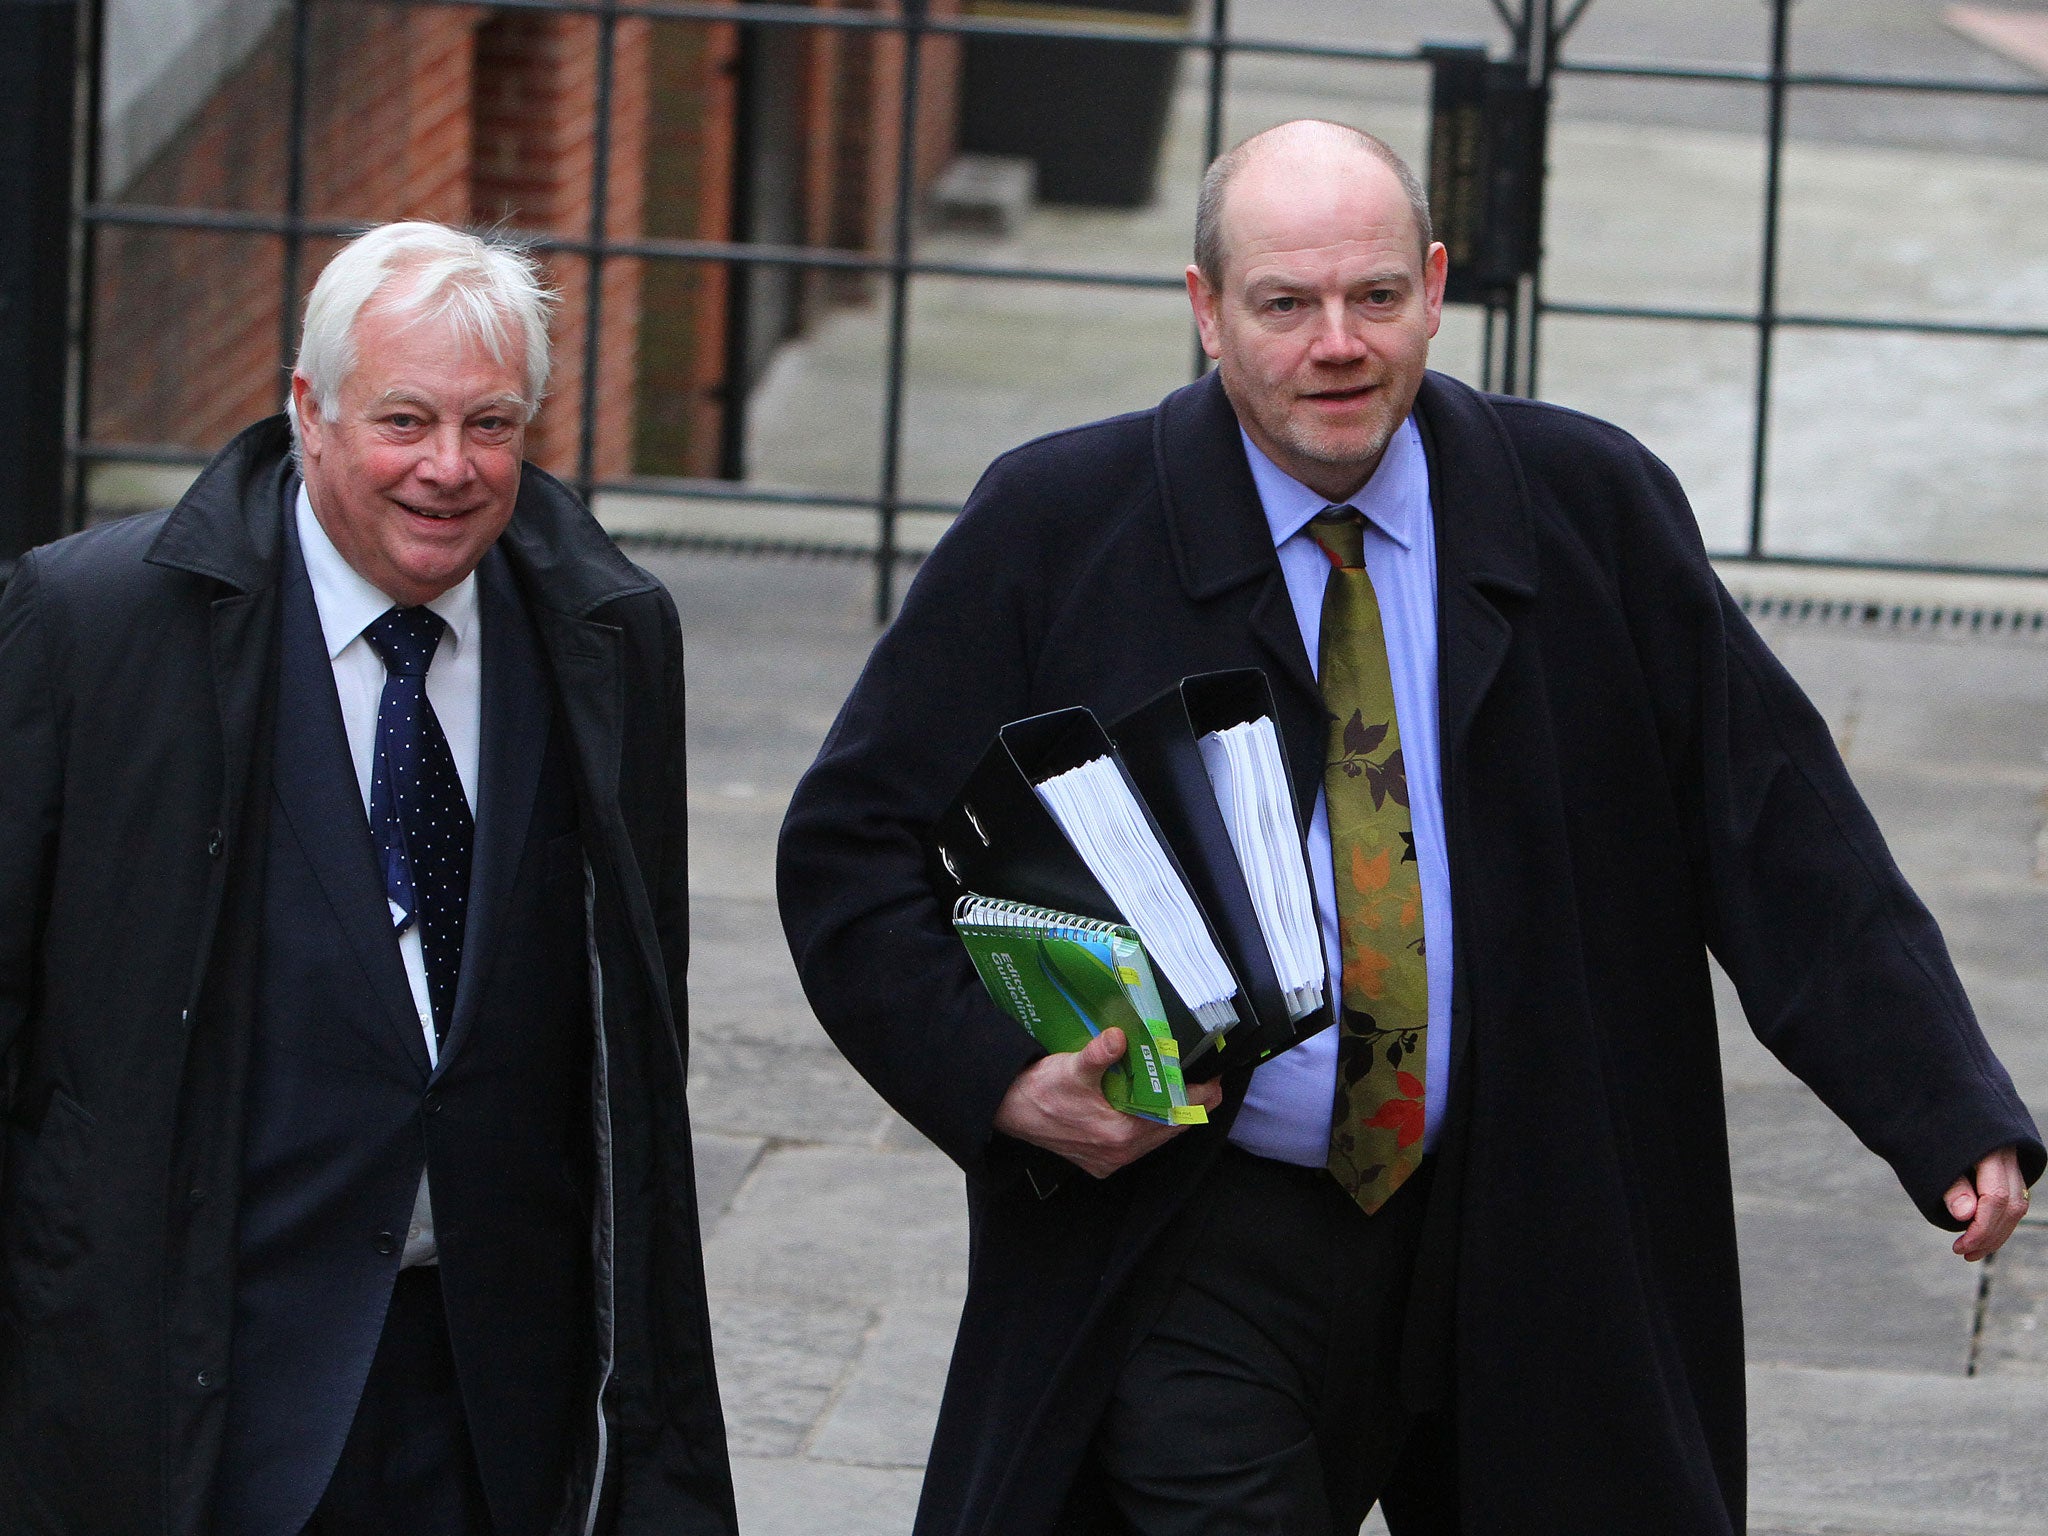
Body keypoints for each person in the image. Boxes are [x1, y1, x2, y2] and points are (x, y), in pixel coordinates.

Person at [776, 121, 2044, 1535]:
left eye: (1376, 297)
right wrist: (1003, 1079)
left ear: (1435, 288)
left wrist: (1938, 1099)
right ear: (1204, 311)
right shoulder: (1055, 527)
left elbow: (1774, 826)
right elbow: (851, 853)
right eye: (1286, 303)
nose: (1339, 344)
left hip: (1529, 1213)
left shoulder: (1589, 507)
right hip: (1198, 1233)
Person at [0, 222, 736, 1535]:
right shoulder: (94, 625)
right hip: (206, 1383)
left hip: (494, 1395)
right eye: (405, 420)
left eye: (492, 425)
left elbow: (634, 1041)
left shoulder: (609, 634)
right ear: (309, 412)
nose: (448, 469)